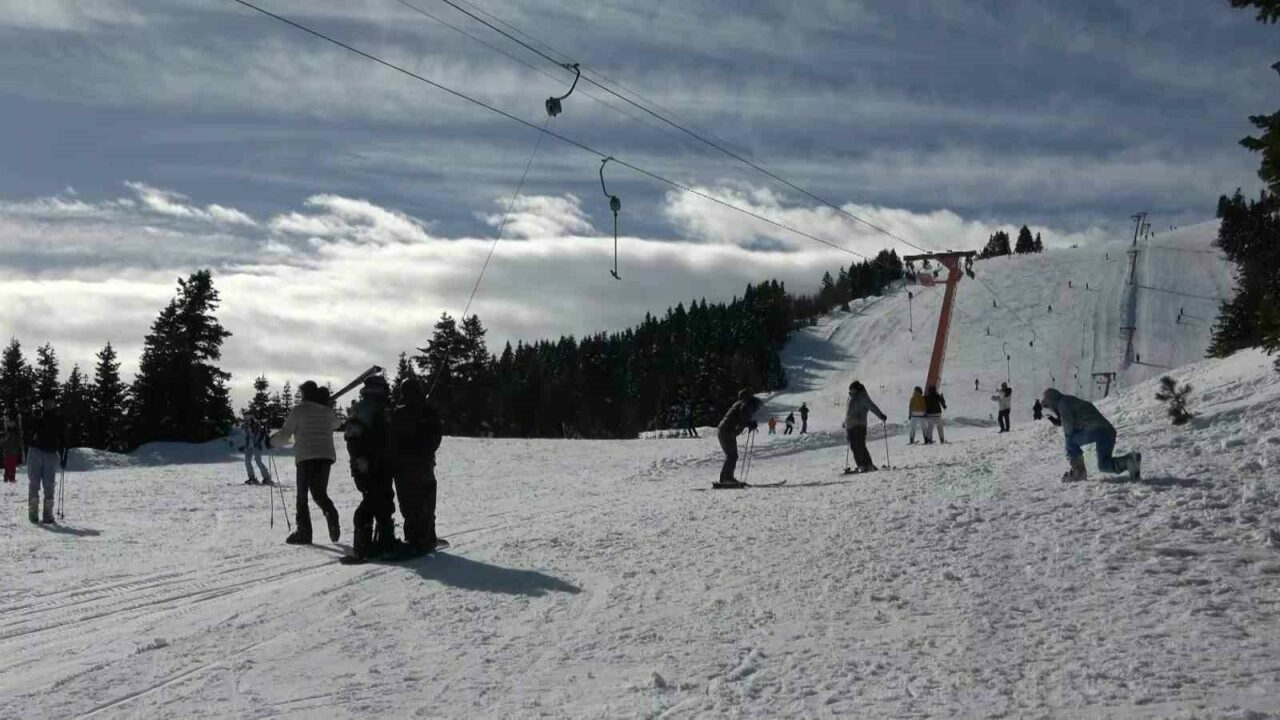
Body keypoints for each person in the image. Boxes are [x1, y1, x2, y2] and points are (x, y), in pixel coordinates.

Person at [269, 381, 342, 545]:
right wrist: (328, 406)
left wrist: (271, 442)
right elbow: (337, 424)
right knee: (319, 493)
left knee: (302, 496)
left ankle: (304, 533)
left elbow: (286, 434)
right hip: (325, 457)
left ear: (305, 394)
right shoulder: (326, 411)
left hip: (306, 457)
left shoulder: (298, 410)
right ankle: (331, 513)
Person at [387, 377, 444, 557]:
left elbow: (392, 439)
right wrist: (425, 452)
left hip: (403, 467)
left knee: (409, 505)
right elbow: (436, 437)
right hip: (424, 465)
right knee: (426, 502)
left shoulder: (398, 413)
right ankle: (427, 537)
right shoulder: (429, 411)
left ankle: (414, 539)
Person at [342, 375, 396, 564]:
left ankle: (382, 542)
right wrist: (361, 460)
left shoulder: (381, 407)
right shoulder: (365, 408)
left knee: (382, 499)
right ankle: (366, 545)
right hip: (369, 463)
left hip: (379, 461)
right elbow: (354, 438)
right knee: (373, 500)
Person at [1041, 388, 1141, 482]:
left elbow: (1069, 428)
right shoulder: (1070, 400)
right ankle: (1129, 461)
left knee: (1070, 441)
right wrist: (1060, 422)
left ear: (1051, 401)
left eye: (1048, 406)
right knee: (1103, 465)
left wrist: (1064, 424)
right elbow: (1077, 417)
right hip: (1108, 431)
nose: (1051, 409)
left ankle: (1078, 472)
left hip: (1096, 431)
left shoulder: (1063, 404)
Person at [24, 396, 66, 524]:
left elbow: (63, 439)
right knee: (34, 481)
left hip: (50, 453)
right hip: (35, 451)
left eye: (50, 403)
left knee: (49, 483)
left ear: (54, 404)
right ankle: (33, 511)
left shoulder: (58, 419)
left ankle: (48, 513)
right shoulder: (37, 416)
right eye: (46, 403)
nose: (48, 405)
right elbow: (28, 430)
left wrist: (63, 456)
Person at [716, 389, 760, 487]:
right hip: (726, 431)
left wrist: (749, 423)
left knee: (732, 455)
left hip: (725, 430)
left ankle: (727, 477)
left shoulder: (740, 404)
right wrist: (749, 423)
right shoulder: (744, 404)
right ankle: (726, 478)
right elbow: (743, 416)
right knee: (732, 455)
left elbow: (741, 418)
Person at [845, 382, 886, 472]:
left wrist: (881, 415)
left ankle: (868, 464)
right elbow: (848, 412)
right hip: (850, 425)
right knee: (853, 446)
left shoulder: (863, 397)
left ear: (857, 389)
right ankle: (861, 465)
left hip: (859, 424)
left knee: (860, 445)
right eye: (850, 390)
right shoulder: (850, 397)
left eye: (852, 390)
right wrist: (845, 422)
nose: (851, 391)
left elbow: (872, 407)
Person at [242, 416, 272, 486]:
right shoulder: (246, 425)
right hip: (249, 445)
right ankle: (251, 477)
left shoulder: (257, 424)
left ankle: (267, 477)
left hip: (256, 445)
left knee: (258, 461)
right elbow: (247, 435)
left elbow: (261, 434)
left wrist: (258, 442)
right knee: (247, 461)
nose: (246, 419)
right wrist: (245, 445)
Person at [2, 416, 21, 483]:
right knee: (7, 465)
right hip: (7, 452)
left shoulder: (16, 432)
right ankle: (6, 478)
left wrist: (18, 448)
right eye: (10, 423)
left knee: (13, 465)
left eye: (12, 423)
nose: (11, 424)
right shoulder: (6, 432)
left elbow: (18, 442)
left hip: (14, 452)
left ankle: (12, 478)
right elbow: (3, 441)